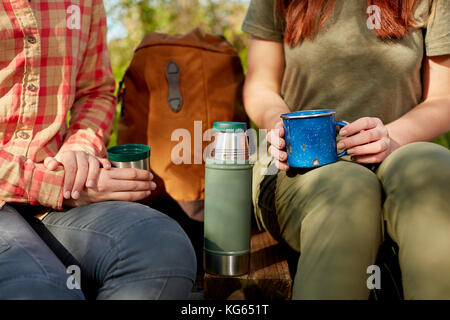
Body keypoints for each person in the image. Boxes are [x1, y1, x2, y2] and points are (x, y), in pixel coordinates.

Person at [242, 0, 450, 299]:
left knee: (435, 171)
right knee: (348, 189)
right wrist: (280, 123)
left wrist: (389, 138)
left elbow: (443, 98)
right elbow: (260, 84)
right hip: (300, 165)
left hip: (400, 149)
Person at [0, 0, 196, 299]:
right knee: (39, 287)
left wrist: (77, 155)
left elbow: (96, 91)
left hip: (56, 199)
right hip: (36, 191)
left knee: (159, 245)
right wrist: (58, 185)